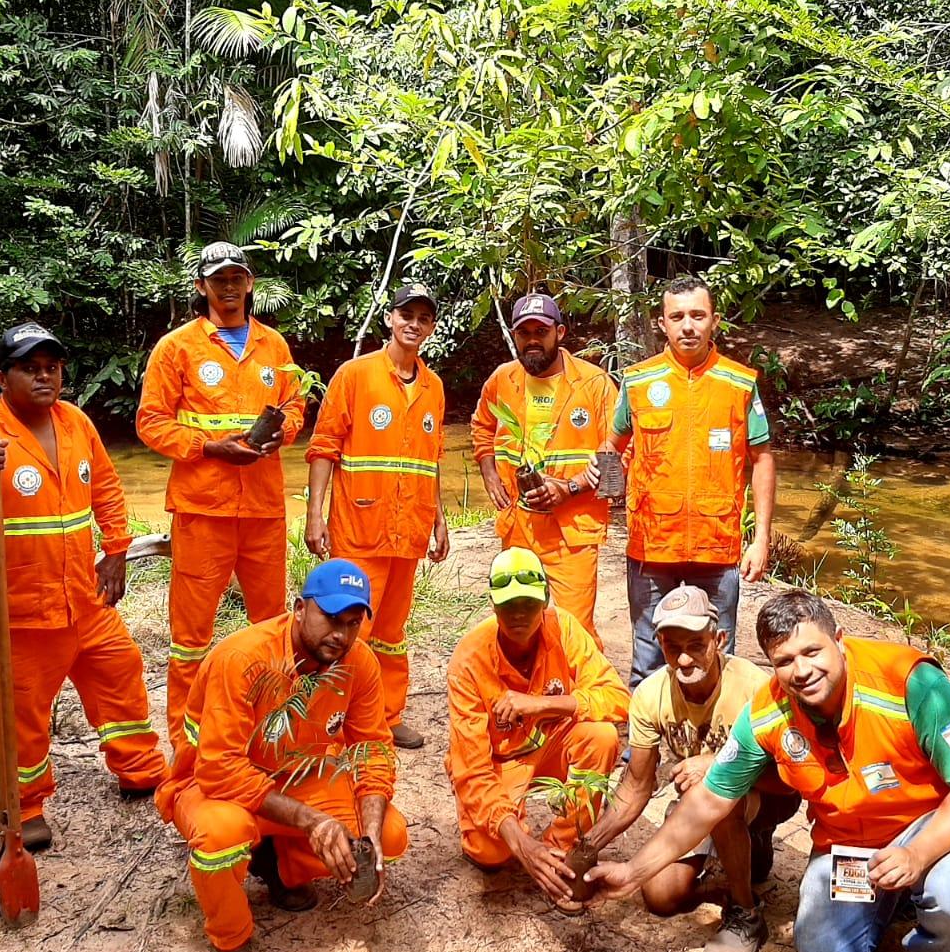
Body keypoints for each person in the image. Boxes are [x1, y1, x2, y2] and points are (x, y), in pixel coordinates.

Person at [589, 592, 950, 952]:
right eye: (785, 661)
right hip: (853, 839)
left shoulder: (908, 681)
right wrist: (631, 872)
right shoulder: (768, 711)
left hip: (935, 821)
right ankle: (896, 898)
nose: (801, 671)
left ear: (839, 639)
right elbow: (709, 800)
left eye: (812, 652)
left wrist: (917, 854)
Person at [0, 322, 167, 851]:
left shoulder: (76, 422)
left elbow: (105, 487)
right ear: (2, 377)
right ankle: (28, 804)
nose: (44, 377)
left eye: (52, 368)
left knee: (120, 672)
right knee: (24, 711)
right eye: (29, 369)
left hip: (84, 595)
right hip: (18, 607)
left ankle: (139, 768)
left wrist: (116, 550)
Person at [156, 558, 407, 952]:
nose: (341, 634)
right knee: (220, 836)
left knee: (390, 834)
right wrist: (311, 821)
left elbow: (373, 749)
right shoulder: (242, 658)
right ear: (299, 608)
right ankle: (230, 938)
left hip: (295, 779)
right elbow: (218, 768)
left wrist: (367, 834)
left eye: (352, 623)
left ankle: (277, 864)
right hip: (213, 785)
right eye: (332, 618)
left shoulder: (359, 661)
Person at [136, 241, 307, 754]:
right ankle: (187, 747)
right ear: (201, 286)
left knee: (272, 627)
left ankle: (269, 735)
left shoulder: (274, 346)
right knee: (190, 638)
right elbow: (151, 422)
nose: (228, 287)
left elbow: (295, 406)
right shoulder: (177, 348)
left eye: (237, 278)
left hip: (262, 508)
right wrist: (209, 447)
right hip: (201, 509)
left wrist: (284, 432)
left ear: (250, 284)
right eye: (218, 279)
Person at [580, 584, 798, 952]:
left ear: (719, 640)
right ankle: (729, 875)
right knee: (661, 896)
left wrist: (719, 764)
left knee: (720, 791)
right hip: (700, 801)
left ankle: (745, 911)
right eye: (672, 647)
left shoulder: (754, 687)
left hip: (767, 792)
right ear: (659, 645)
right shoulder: (650, 695)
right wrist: (589, 845)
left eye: (696, 645)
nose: (683, 659)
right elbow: (636, 785)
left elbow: (791, 774)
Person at [612, 274, 777, 687]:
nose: (688, 326)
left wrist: (760, 540)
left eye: (698, 315)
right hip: (651, 545)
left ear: (714, 321)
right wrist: (603, 504)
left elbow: (762, 459)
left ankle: (719, 730)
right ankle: (645, 730)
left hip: (717, 545)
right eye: (677, 316)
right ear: (662, 324)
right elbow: (611, 446)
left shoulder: (739, 383)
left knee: (718, 658)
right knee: (648, 659)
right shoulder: (638, 381)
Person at [306, 283, 450, 749]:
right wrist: (314, 514)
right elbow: (324, 447)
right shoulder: (355, 375)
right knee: (350, 628)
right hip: (360, 528)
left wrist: (439, 518)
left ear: (431, 327)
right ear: (390, 318)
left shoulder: (433, 387)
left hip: (409, 530)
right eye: (406, 315)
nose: (414, 324)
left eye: (423, 318)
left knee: (391, 632)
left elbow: (432, 460)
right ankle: (335, 720)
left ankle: (387, 715)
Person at [445, 547, 630, 908]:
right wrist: (520, 841)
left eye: (528, 604)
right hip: (499, 762)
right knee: (490, 851)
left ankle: (560, 849)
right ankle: (526, 845)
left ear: (545, 600)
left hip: (551, 744)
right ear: (493, 605)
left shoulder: (564, 628)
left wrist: (543, 704)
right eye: (508, 605)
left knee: (602, 736)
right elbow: (472, 770)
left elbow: (618, 698)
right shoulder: (468, 660)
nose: (518, 614)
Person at [470, 292, 618, 645]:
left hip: (572, 530)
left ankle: (580, 682)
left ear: (560, 333)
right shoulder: (503, 379)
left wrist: (569, 488)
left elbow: (616, 461)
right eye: (524, 332)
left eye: (541, 331)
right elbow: (481, 427)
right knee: (516, 622)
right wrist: (489, 473)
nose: (532, 340)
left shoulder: (594, 383)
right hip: (517, 526)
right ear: (515, 335)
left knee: (574, 632)